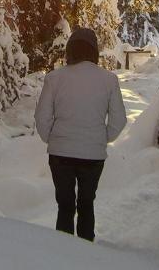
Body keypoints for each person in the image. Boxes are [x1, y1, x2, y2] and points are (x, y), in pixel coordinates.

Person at [34, 27, 127, 242]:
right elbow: (119, 120)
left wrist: (53, 138)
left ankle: (64, 255)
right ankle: (86, 254)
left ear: (70, 50)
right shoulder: (109, 80)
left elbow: (42, 117)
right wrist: (102, 138)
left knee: (64, 206)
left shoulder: (54, 78)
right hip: (93, 156)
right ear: (94, 51)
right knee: (86, 205)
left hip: (60, 154)